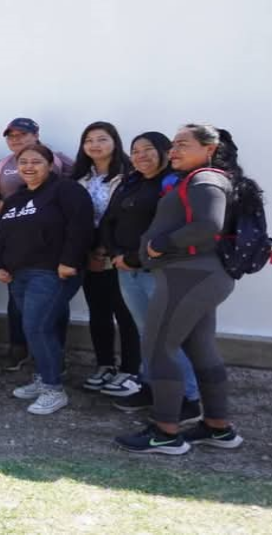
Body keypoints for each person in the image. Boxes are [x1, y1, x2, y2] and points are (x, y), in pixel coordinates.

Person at [115, 124, 251, 455]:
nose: (173, 150)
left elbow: (208, 225)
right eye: (173, 145)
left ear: (209, 148)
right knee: (201, 349)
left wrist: (160, 244)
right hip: (198, 277)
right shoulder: (202, 178)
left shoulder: (205, 178)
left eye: (182, 144)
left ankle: (165, 433)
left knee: (159, 348)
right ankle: (218, 428)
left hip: (189, 276)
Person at [100, 132, 203, 422]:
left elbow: (171, 229)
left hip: (157, 270)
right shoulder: (130, 182)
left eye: (148, 150)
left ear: (164, 151)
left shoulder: (174, 184)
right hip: (125, 269)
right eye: (135, 151)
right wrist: (116, 253)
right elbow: (109, 220)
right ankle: (150, 385)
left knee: (167, 335)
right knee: (147, 333)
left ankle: (189, 398)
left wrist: (134, 257)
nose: (140, 156)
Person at [0, 144, 92, 415]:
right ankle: (45, 376)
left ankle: (53, 389)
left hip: (51, 272)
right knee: (37, 328)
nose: (29, 166)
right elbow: (2, 235)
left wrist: (69, 261)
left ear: (51, 165)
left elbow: (80, 225)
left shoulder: (66, 190)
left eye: (36, 161)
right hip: (19, 274)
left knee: (36, 326)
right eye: (23, 161)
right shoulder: (15, 199)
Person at [0, 117, 75, 371]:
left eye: (22, 134)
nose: (16, 139)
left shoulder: (60, 160)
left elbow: (75, 195)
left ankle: (55, 358)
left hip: (51, 251)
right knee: (17, 303)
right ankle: (20, 349)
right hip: (16, 246)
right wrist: (21, 209)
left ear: (36, 134)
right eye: (11, 135)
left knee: (52, 306)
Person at [71, 122, 141, 395]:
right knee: (98, 311)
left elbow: (127, 220)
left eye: (102, 139)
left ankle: (130, 369)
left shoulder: (129, 177)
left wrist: (105, 248)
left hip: (119, 255)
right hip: (88, 255)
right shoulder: (80, 179)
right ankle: (105, 365)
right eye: (89, 140)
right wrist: (89, 251)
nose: (95, 145)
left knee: (125, 314)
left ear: (115, 142)